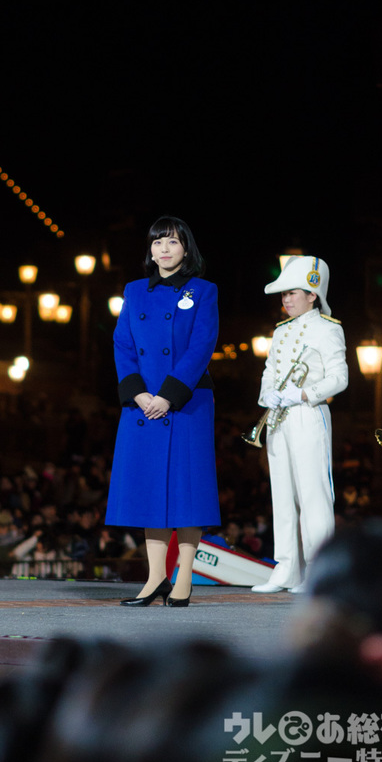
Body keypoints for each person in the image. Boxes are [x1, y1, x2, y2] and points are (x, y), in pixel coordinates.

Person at [106, 215, 221, 606]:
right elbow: (122, 344)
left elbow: (202, 346)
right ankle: (156, 578)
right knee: (150, 492)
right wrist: (138, 394)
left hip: (187, 404)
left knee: (188, 492)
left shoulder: (203, 290)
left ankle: (183, 576)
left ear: (186, 249)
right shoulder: (134, 291)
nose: (164, 249)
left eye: (172, 242)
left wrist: (168, 396)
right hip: (142, 406)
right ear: (150, 251)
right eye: (158, 243)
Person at [251, 255, 348, 594]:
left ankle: (320, 572)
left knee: (313, 495)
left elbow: (340, 377)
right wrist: (270, 396)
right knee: (282, 494)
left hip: (309, 414)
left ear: (313, 294)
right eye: (284, 294)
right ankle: (286, 567)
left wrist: (304, 393)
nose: (286, 299)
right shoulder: (280, 332)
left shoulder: (328, 328)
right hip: (280, 417)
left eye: (294, 292)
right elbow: (268, 372)